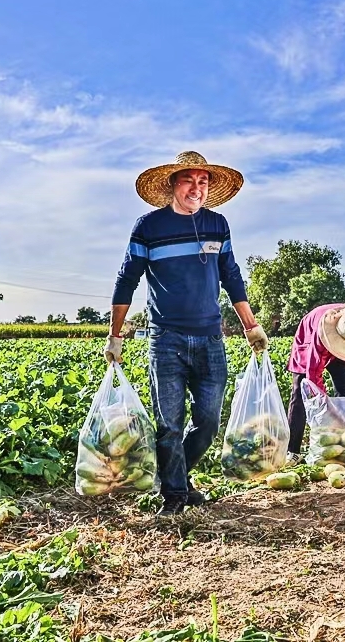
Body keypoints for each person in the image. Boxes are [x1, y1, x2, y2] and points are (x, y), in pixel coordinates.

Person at [104, 151, 267, 515]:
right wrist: (116, 336)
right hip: (166, 340)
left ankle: (173, 476)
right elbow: (126, 280)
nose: (197, 188)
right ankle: (175, 496)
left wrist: (251, 325)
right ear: (173, 185)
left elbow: (232, 276)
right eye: (189, 180)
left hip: (210, 338)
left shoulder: (217, 225)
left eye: (203, 181)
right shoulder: (148, 227)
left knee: (208, 422)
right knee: (169, 425)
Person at [285, 302, 345, 463]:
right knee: (299, 395)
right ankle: (292, 451)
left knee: (344, 392)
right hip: (308, 339)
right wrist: (325, 406)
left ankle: (344, 444)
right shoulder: (320, 337)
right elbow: (313, 377)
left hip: (342, 339)